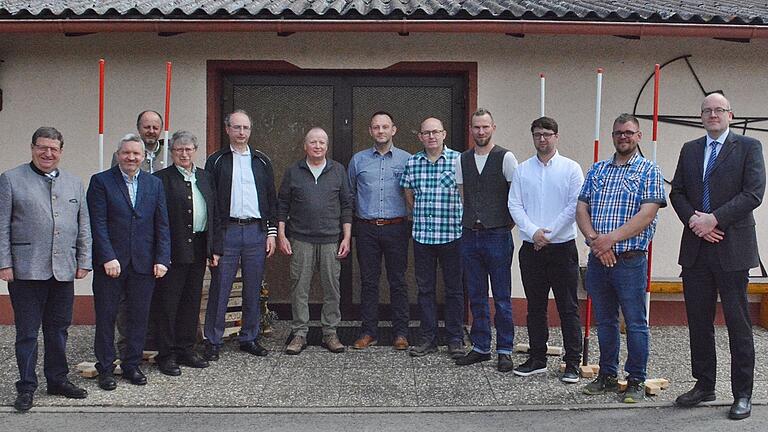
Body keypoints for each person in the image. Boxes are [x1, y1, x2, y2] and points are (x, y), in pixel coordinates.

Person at [670, 93, 765, 420]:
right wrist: (697, 223)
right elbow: (677, 192)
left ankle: (742, 394)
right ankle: (704, 384)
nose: (713, 114)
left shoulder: (749, 148)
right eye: (707, 110)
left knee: (738, 324)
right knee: (699, 321)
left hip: (732, 247)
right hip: (696, 250)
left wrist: (715, 219)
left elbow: (753, 193)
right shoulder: (690, 149)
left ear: (730, 115)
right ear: (701, 116)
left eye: (719, 110)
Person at [575, 113, 666, 403]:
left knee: (636, 322)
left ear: (639, 136)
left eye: (629, 132)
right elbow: (581, 208)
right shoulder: (597, 170)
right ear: (613, 136)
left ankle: (636, 380)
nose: (623, 137)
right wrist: (595, 242)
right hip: (600, 259)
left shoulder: (649, 170)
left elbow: (647, 214)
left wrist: (609, 240)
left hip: (629, 259)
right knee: (605, 320)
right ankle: (607, 375)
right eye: (618, 133)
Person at [0, 127, 92, 412]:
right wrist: (4, 263)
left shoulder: (75, 183)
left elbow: (83, 226)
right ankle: (27, 386)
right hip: (26, 269)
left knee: (58, 330)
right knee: (27, 332)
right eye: (42, 147)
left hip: (63, 269)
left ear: (61, 151)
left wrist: (84, 261)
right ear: (32, 148)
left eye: (53, 149)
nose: (47, 153)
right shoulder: (11, 180)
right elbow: (1, 226)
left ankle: (57, 379)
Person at [87, 134, 171, 390]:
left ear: (144, 158)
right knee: (106, 317)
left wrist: (162, 258)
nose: (132, 158)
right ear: (118, 155)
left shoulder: (153, 184)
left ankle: (131, 365)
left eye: (137, 154)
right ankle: (105, 368)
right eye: (127, 153)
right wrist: (107, 256)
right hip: (111, 264)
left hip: (144, 264)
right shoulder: (101, 181)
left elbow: (162, 224)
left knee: (138, 317)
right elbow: (98, 223)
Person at [508, 116, 584, 382]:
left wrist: (548, 233)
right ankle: (537, 357)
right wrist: (533, 233)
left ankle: (573, 361)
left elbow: (574, 206)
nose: (542, 139)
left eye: (547, 134)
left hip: (562, 248)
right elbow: (514, 205)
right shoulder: (522, 169)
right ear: (533, 137)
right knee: (535, 306)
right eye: (537, 134)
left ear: (556, 136)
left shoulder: (571, 169)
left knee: (568, 307)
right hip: (532, 248)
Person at [204, 109, 278, 361]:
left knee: (252, 287)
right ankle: (213, 340)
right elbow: (210, 203)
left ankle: (249, 337)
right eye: (236, 127)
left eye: (245, 128)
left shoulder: (261, 161)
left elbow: (270, 199)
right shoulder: (216, 161)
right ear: (227, 129)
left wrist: (271, 233)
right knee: (221, 287)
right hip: (228, 231)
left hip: (256, 231)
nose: (241, 132)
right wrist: (212, 241)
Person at [278, 127, 353, 355]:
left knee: (332, 287)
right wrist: (281, 235)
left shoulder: (338, 170)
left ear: (327, 146)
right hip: (301, 239)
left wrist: (346, 237)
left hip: (331, 239)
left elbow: (347, 206)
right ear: (305, 146)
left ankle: (330, 332)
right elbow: (282, 205)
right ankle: (299, 333)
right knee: (300, 287)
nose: (317, 146)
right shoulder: (294, 171)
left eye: (321, 142)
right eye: (313, 142)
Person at [453, 109, 517, 371]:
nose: (481, 132)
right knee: (477, 295)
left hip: (498, 235)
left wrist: (503, 223)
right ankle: (481, 347)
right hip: (470, 234)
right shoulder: (463, 159)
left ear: (493, 127)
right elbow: (462, 194)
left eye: (485, 127)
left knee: (502, 297)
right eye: (476, 127)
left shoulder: (506, 157)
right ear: (471, 129)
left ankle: (505, 349)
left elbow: (515, 197)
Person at [151, 131, 216, 376]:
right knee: (169, 303)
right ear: (172, 153)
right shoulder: (161, 180)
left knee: (191, 301)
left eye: (189, 149)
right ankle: (166, 354)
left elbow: (214, 213)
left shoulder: (205, 177)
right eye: (179, 150)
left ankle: (186, 349)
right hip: (173, 248)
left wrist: (213, 248)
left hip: (198, 247)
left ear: (195, 151)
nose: (184, 154)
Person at [400, 117, 464, 359]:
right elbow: (408, 194)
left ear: (444, 134)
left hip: (452, 234)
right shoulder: (413, 163)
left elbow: (465, 194)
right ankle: (428, 337)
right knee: (425, 289)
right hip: (423, 236)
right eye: (426, 133)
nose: (431, 137)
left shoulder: (459, 160)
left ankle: (455, 337)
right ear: (420, 137)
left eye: (435, 132)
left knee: (454, 289)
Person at [348, 112, 412, 351]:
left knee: (398, 281)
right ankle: (368, 332)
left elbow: (415, 194)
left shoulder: (408, 160)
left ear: (393, 130)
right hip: (367, 229)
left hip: (397, 228)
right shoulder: (358, 161)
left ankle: (401, 333)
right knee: (368, 282)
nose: (381, 131)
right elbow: (350, 194)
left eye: (385, 127)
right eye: (376, 127)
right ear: (370, 131)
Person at [113, 110, 166, 358]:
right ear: (138, 128)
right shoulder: (127, 153)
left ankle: (154, 338)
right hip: (129, 238)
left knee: (154, 292)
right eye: (146, 126)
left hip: (156, 231)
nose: (151, 131)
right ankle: (128, 345)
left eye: (155, 126)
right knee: (127, 298)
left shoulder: (169, 153)